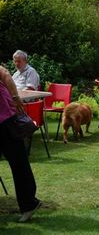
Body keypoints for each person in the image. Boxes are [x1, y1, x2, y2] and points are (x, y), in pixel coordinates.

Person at [0, 65, 42, 222]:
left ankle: (29, 204)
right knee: (19, 163)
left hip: (5, 120)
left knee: (19, 163)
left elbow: (4, 73)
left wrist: (15, 98)